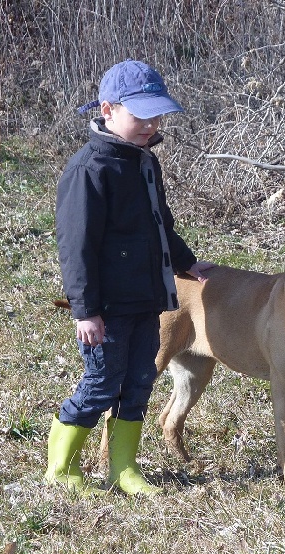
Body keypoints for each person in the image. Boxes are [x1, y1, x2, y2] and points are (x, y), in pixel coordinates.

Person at [45, 59, 213, 496]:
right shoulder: (89, 170)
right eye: (140, 116)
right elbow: (76, 248)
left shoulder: (145, 163)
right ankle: (62, 470)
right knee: (101, 385)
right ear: (108, 110)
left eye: (156, 115)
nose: (151, 124)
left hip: (148, 300)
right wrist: (85, 312)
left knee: (139, 383)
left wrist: (186, 263)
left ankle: (123, 468)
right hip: (107, 309)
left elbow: (161, 226)